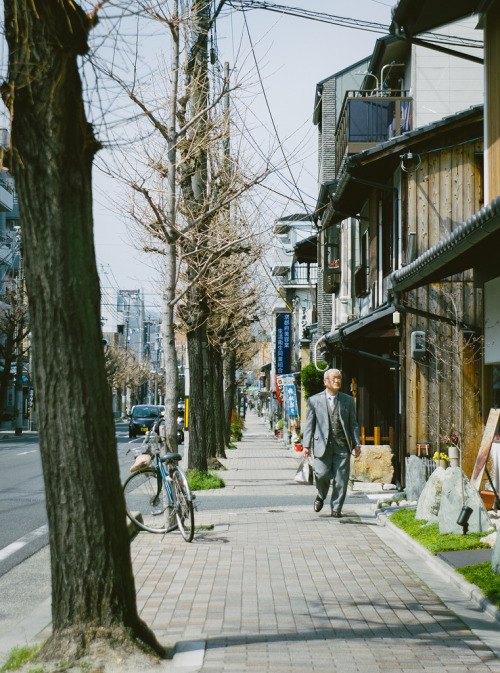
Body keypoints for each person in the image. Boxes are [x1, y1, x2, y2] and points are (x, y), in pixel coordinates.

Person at [302, 368, 361, 518]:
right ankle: (321, 495)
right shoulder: (314, 400)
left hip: (342, 446)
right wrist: (306, 445)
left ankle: (336, 509)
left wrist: (357, 443)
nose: (337, 380)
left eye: (339, 378)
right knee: (321, 474)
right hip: (322, 446)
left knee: (341, 480)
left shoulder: (347, 400)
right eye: (334, 378)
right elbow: (309, 424)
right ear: (325, 381)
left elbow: (353, 423)